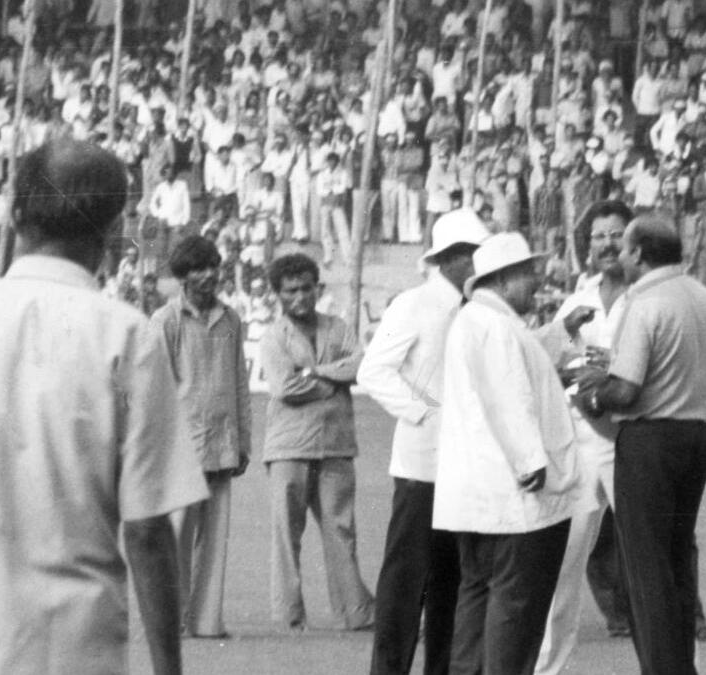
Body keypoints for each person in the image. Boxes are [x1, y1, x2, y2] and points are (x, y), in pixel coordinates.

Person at [0, 138, 207, 675]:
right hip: (72, 645)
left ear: (16, 213)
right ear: (113, 231)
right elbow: (147, 529)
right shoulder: (127, 336)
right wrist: (170, 669)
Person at [573, 213, 706, 674]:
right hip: (696, 433)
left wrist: (592, 392)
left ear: (638, 253)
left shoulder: (646, 301)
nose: (618, 255)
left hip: (650, 439)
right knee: (676, 560)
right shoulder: (703, 297)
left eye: (624, 248)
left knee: (646, 572)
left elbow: (627, 391)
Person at [434, 232, 581, 675]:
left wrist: (560, 333)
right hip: (513, 495)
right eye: (528, 273)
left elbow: (522, 365)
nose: (537, 281)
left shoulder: (482, 319)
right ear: (503, 279)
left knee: (477, 602)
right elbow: (508, 395)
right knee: (515, 615)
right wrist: (530, 462)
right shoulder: (493, 325)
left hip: (478, 497)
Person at [360, 209, 490, 675]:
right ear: (454, 258)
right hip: (420, 467)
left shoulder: (478, 308)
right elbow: (374, 370)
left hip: (463, 468)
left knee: (452, 582)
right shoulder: (413, 304)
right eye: (475, 254)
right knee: (404, 584)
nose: (481, 263)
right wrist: (424, 411)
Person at [532, 200, 636, 675]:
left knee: (652, 560)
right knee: (562, 564)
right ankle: (549, 668)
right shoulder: (580, 299)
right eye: (598, 236)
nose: (607, 244)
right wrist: (576, 368)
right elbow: (549, 366)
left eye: (617, 234)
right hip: (580, 439)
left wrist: (609, 372)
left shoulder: (647, 297)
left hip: (632, 439)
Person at [260, 253, 376, 631]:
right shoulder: (274, 336)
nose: (300, 297)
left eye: (306, 288)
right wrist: (334, 380)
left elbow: (361, 365)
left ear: (318, 288)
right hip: (289, 446)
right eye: (290, 290)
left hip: (336, 444)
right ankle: (288, 616)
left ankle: (355, 613)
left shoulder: (338, 327)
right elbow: (285, 387)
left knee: (341, 531)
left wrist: (315, 372)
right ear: (277, 294)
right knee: (286, 535)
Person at [151, 235, 252, 639]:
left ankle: (206, 621)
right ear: (182, 276)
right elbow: (154, 388)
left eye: (213, 266)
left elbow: (241, 384)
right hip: (182, 447)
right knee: (176, 538)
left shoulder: (231, 319)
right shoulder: (167, 320)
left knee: (215, 541)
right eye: (198, 268)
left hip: (224, 443)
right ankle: (168, 620)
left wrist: (244, 440)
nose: (209, 275)